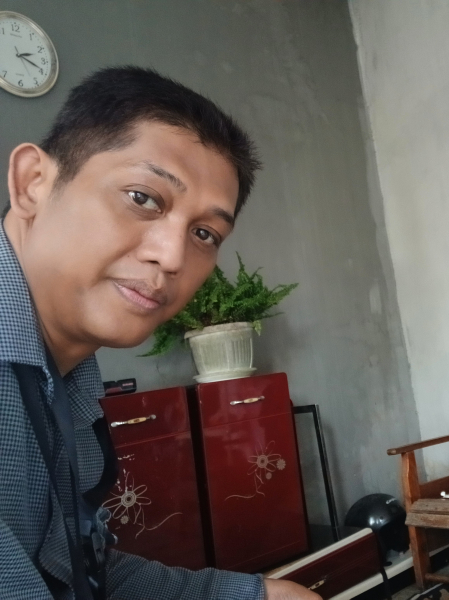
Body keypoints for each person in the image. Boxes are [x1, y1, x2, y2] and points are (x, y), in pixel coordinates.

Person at [1, 66, 320, 600]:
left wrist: (255, 596)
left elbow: (76, 570)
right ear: (34, 182)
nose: (172, 257)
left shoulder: (70, 374)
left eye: (204, 233)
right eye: (143, 198)